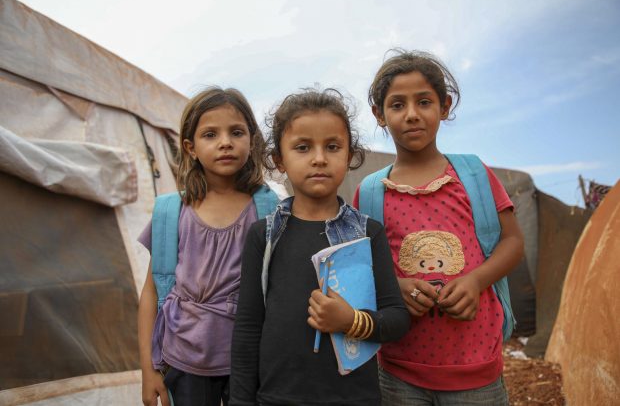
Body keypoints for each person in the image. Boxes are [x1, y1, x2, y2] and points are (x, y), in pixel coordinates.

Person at [353, 49, 525, 405]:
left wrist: (477, 280)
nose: (412, 114)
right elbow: (359, 266)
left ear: (444, 107)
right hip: (399, 372)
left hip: (476, 371)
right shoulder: (370, 192)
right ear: (379, 115)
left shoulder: (474, 174)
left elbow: (512, 242)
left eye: (424, 102)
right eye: (397, 105)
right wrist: (394, 286)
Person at [230, 88, 411, 406]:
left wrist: (351, 321)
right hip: (276, 398)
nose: (319, 158)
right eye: (302, 147)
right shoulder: (265, 236)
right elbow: (248, 328)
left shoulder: (368, 234)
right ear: (279, 160)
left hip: (354, 399)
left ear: (349, 155)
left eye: (332, 146)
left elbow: (396, 318)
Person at [137, 87, 278, 406]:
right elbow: (151, 293)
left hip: (249, 361)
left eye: (236, 132)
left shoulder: (269, 210)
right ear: (191, 147)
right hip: (182, 360)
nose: (225, 142)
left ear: (252, 140)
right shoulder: (172, 213)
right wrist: (148, 370)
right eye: (211, 134)